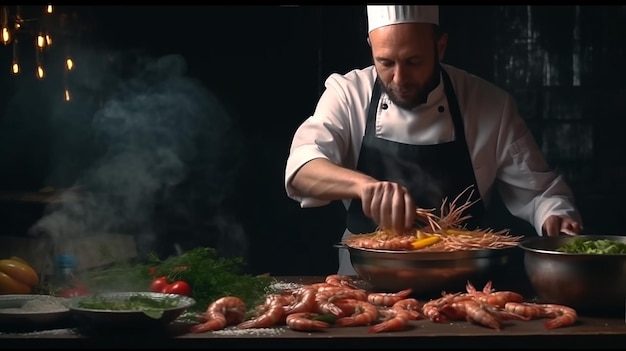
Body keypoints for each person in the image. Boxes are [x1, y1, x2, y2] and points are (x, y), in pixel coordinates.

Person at [284, 5, 583, 275]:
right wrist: (364, 187)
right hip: (364, 280)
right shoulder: (347, 93)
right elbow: (301, 170)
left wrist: (555, 217)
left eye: (413, 61)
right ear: (370, 48)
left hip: (464, 279)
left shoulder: (489, 105)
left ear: (440, 48)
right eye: (385, 62)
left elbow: (540, 192)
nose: (399, 79)